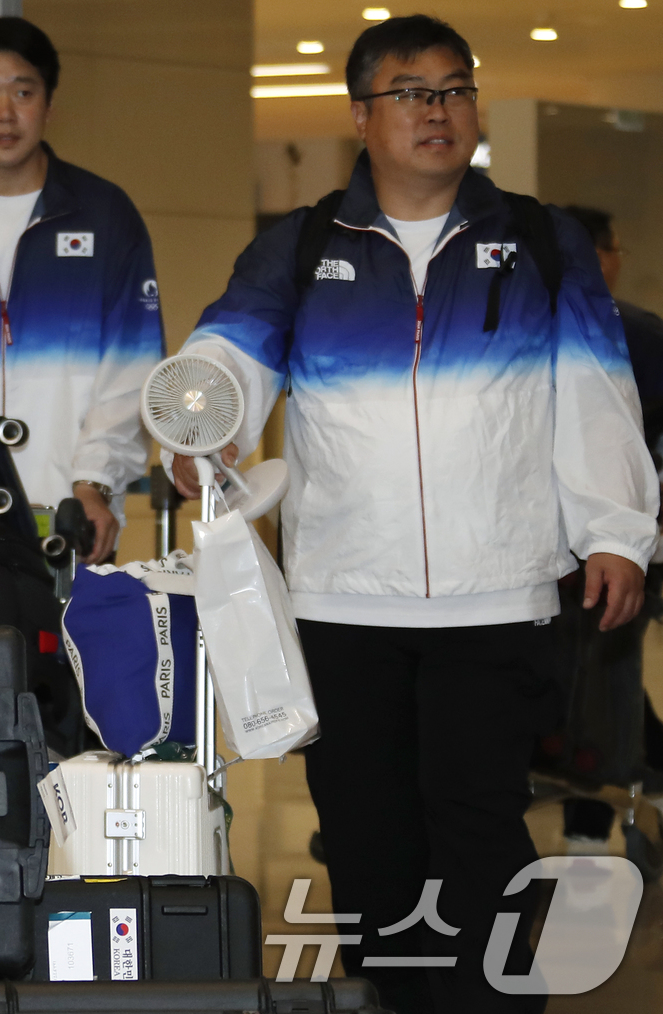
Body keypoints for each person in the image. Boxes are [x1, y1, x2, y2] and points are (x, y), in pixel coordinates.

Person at [170, 15, 657, 1014]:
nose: (436, 111)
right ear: (360, 116)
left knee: (476, 823)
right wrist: (199, 426)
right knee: (362, 835)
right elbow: (228, 355)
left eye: (452, 88)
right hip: (344, 599)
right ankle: (391, 997)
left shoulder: (535, 239)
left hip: (497, 597)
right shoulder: (301, 246)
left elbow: (593, 393)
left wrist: (614, 531)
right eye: (408, 92)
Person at [0, 17, 164, 563]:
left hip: (70, 515)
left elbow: (132, 371)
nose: (5, 113)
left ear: (49, 103)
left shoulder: (105, 217)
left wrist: (95, 483)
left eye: (23, 92)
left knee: (67, 649)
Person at [553, 205, 663, 847]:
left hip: (594, 551)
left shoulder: (636, 336)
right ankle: (587, 837)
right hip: (606, 547)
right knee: (598, 692)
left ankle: (588, 838)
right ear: (603, 257)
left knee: (594, 694)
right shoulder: (642, 336)